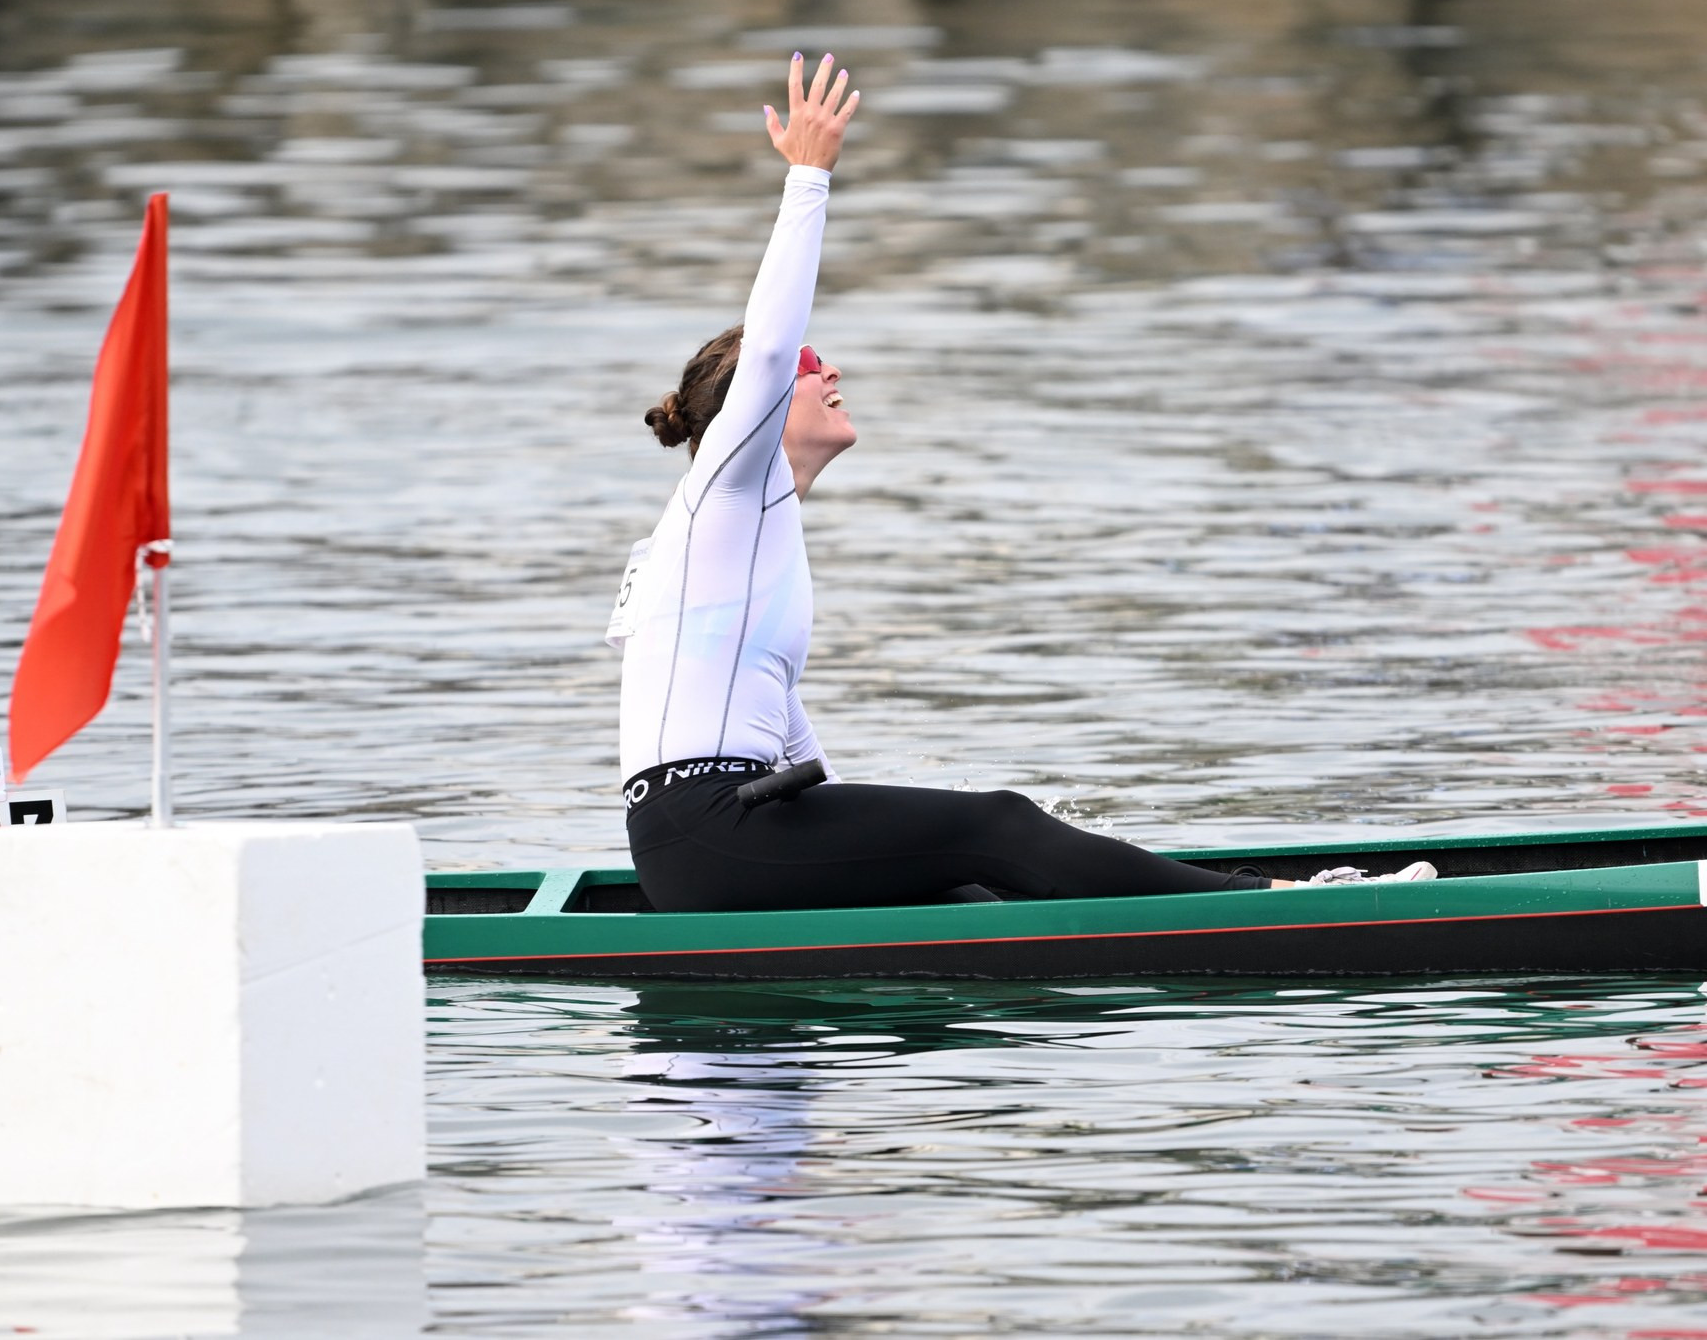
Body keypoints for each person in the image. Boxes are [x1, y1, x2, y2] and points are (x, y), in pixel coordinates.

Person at [608, 53, 1433, 912]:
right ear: (761, 407)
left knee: (974, 880)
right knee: (1001, 822)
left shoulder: (746, 538)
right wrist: (808, 177)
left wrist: (896, 853)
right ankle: (1271, 903)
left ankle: (1139, 916)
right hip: (706, 833)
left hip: (718, 837)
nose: (830, 370)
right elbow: (773, 345)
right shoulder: (724, 489)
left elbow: (786, 731)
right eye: (814, 369)